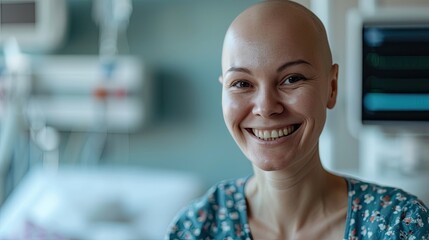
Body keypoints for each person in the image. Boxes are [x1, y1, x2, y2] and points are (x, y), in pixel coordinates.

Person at [166, 1, 429, 239]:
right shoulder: (195, 230)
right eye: (242, 83)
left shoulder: (400, 225)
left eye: (292, 79)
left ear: (332, 87)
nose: (266, 108)